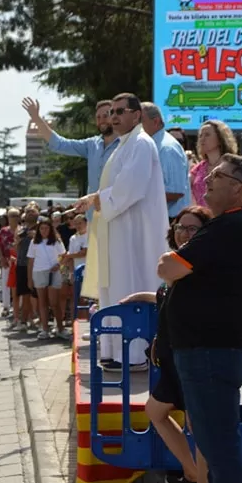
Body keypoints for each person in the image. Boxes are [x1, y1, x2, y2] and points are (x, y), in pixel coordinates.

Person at [157, 154, 242, 483]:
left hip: (209, 353)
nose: (209, 178)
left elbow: (168, 268)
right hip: (206, 351)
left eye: (219, 175)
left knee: (219, 450)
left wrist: (172, 263)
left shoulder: (229, 227)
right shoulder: (225, 227)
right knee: (218, 446)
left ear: (240, 189)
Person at [121, 206, 213, 483]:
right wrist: (143, 297)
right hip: (174, 359)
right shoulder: (179, 265)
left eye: (192, 228)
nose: (184, 232)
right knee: (155, 412)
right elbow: (168, 296)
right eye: (180, 227)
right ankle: (191, 473)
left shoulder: (198, 264)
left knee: (196, 428)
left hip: (194, 357)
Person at [75, 93, 169, 372]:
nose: (113, 117)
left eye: (120, 111)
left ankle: (135, 355)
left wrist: (98, 199)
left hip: (133, 234)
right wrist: (96, 197)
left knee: (129, 286)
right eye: (111, 111)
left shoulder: (141, 143)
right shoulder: (123, 145)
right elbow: (117, 186)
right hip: (116, 230)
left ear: (137, 115)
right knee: (113, 287)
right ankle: (115, 351)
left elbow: (130, 188)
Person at [22, 97, 120, 206]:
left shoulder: (127, 145)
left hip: (116, 214)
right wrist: (36, 118)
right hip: (93, 215)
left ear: (115, 117)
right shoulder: (92, 145)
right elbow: (60, 143)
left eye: (105, 116)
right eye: (98, 117)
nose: (101, 120)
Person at [141, 102, 190, 219]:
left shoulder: (167, 148)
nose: (135, 125)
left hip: (169, 221)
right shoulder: (151, 145)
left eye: (140, 120)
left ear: (156, 121)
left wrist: (138, 198)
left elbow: (176, 191)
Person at [28, 217, 70, 341]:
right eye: (41, 228)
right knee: (42, 302)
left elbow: (64, 255)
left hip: (54, 272)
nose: (44, 231)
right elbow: (31, 260)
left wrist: (58, 264)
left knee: (54, 302)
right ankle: (45, 328)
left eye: (46, 228)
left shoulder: (56, 241)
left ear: (50, 229)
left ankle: (60, 328)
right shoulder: (34, 242)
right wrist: (29, 278)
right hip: (39, 272)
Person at [189, 119, 238, 208]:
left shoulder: (232, 165)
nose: (202, 139)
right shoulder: (198, 168)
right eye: (200, 136)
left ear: (220, 139)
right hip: (202, 217)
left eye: (207, 135)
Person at [0, 208, 20, 318]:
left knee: (18, 285)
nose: (13, 218)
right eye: (11, 216)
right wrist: (1, 259)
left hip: (19, 262)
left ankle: (18, 308)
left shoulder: (21, 231)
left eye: (16, 216)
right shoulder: (3, 231)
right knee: (6, 284)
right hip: (6, 260)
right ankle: (6, 306)